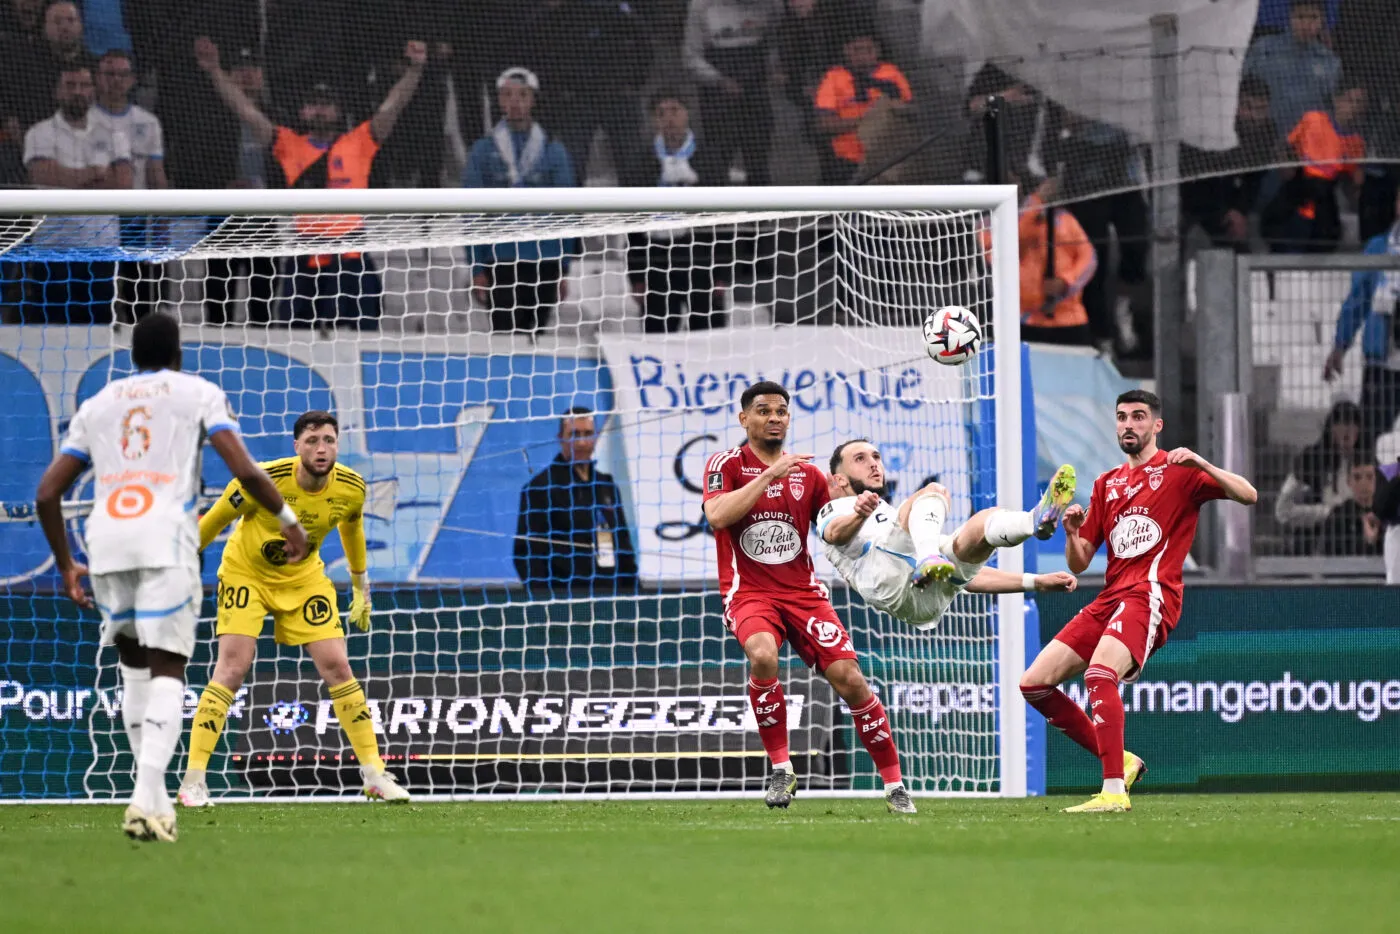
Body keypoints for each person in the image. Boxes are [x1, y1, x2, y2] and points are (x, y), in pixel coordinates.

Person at [33, 312, 309, 841]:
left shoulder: (99, 403)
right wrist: (288, 519)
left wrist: (67, 564)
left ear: (132, 356)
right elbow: (245, 470)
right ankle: (144, 798)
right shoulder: (198, 393)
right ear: (178, 354)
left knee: (134, 668)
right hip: (165, 538)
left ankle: (154, 803)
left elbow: (47, 493)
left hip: (106, 541)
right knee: (168, 667)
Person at [1020, 389, 1257, 813]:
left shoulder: (1179, 470)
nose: (1128, 424)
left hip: (1150, 594)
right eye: (1122, 417)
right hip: (1110, 596)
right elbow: (1079, 562)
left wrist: (1202, 463)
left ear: (1156, 425)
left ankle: (1113, 791)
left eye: (1138, 416)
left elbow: (1248, 495)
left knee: (1099, 674)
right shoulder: (1106, 484)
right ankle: (1124, 762)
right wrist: (1072, 533)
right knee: (1034, 683)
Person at [702, 381, 915, 814]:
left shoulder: (810, 475)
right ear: (744, 418)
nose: (774, 418)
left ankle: (895, 786)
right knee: (763, 654)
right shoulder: (726, 464)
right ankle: (782, 768)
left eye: (781, 411)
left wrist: (858, 512)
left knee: (850, 679)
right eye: (764, 411)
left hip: (803, 594)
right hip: (750, 592)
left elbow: (832, 529)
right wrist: (769, 476)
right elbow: (717, 515)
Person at [178, 410, 410, 807]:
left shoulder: (351, 487)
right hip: (246, 574)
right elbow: (211, 523)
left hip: (303, 579)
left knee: (338, 667)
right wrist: (174, 568)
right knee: (232, 668)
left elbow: (351, 528)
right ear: (296, 446)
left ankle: (374, 774)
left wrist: (360, 586)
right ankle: (193, 780)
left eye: (329, 440)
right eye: (312, 441)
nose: (322, 449)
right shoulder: (260, 480)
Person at [195, 36, 428, 329]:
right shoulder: (290, 146)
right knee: (297, 334)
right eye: (312, 104)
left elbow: (391, 108)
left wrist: (414, 70)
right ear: (302, 111)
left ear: (338, 111)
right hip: (306, 252)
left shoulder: (358, 143)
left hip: (349, 251)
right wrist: (215, 71)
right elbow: (246, 111)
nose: (319, 110)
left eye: (326, 104)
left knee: (359, 333)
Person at [819, 439, 1079, 629]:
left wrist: (1035, 582)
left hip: (927, 603)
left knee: (981, 525)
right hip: (888, 584)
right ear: (840, 479)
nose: (874, 464)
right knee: (934, 491)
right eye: (860, 459)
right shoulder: (836, 508)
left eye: (876, 456)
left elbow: (970, 578)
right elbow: (834, 534)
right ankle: (928, 559)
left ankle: (1033, 521)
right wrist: (859, 513)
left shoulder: (903, 525)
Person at [463, 67, 576, 335]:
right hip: (500, 259)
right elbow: (471, 213)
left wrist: (564, 266)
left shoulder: (553, 149)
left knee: (536, 338)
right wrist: (477, 267)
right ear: (499, 100)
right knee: (504, 338)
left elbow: (567, 212)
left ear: (533, 99)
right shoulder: (483, 150)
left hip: (544, 259)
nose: (515, 102)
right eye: (507, 95)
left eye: (522, 95)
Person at [20, 63, 130, 324]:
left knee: (99, 332)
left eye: (84, 85)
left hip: (101, 252)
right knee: (50, 333)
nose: (77, 92)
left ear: (93, 89)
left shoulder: (115, 135)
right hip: (52, 251)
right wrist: (95, 174)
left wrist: (69, 179)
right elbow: (44, 178)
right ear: (57, 91)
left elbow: (124, 185)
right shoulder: (39, 133)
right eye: (70, 86)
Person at [627, 90, 731, 333]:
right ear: (654, 120)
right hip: (656, 257)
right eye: (661, 113)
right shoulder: (642, 161)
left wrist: (722, 273)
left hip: (700, 255)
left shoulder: (709, 158)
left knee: (707, 334)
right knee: (658, 334)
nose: (669, 118)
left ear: (687, 114)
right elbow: (633, 223)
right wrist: (636, 276)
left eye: (675, 110)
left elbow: (724, 219)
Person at [513, 407, 638, 594]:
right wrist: (547, 602)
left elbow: (623, 547)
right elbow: (527, 556)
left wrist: (634, 594)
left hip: (611, 596)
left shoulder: (606, 485)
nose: (581, 442)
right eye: (574, 434)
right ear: (560, 438)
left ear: (596, 436)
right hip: (566, 598)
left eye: (587, 434)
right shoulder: (540, 488)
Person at [202, 46, 276, 326]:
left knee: (263, 300)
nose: (247, 75)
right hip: (224, 215)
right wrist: (223, 185)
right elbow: (197, 163)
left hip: (265, 216)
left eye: (253, 68)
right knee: (218, 298)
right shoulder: (213, 120)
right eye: (240, 69)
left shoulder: (276, 116)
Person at [985, 171, 1098, 346]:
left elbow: (1088, 258)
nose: (1014, 185)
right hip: (1022, 322)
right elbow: (1008, 246)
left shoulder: (1063, 218)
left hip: (1069, 320)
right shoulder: (988, 224)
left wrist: (1066, 282)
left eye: (1016, 179)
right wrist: (1036, 203)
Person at [94, 48, 165, 323]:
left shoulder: (147, 122)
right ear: (98, 78)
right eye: (109, 74)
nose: (116, 80)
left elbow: (155, 175)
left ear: (133, 79)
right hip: (97, 222)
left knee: (142, 301)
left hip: (136, 223)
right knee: (101, 300)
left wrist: (162, 223)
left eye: (122, 74)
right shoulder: (85, 120)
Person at [1324, 191, 1400, 448]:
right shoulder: (1378, 247)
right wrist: (1340, 344)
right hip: (1382, 364)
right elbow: (1358, 300)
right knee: (1373, 439)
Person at [684, 0, 780, 186]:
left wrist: (774, 67)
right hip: (718, 98)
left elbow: (777, 40)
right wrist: (719, 80)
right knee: (717, 161)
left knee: (759, 162)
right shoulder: (701, 6)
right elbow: (691, 56)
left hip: (755, 94)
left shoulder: (771, 4)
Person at [1265, 79, 1366, 253]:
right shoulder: (1314, 119)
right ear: (1337, 99)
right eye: (1350, 100)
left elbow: (1351, 184)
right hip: (1296, 193)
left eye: (1360, 103)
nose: (1354, 107)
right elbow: (1285, 147)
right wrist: (1287, 168)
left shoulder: (1356, 142)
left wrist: (1357, 187)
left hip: (1323, 205)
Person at [1182, 75, 1280, 250]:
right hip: (1193, 192)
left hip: (1231, 201)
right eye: (1247, 107)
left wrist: (1240, 210)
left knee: (1238, 247)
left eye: (1260, 109)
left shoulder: (1267, 132)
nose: (1253, 116)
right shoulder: (1215, 128)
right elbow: (1201, 178)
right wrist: (1225, 212)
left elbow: (1254, 178)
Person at [812, 29, 911, 185]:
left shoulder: (891, 73)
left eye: (868, 50)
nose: (863, 55)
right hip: (847, 160)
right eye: (857, 50)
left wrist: (892, 110)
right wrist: (869, 120)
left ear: (878, 51)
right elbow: (824, 124)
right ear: (846, 51)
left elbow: (910, 110)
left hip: (888, 158)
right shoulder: (834, 77)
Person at [1274, 400, 1366, 553]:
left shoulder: (1367, 461)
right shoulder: (1311, 461)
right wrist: (1327, 513)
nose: (1347, 434)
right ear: (1331, 429)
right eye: (1341, 427)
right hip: (1319, 537)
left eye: (1352, 428)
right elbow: (1282, 510)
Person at [1244, 0, 1341, 137]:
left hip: (1308, 141)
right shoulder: (1264, 49)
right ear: (1290, 17)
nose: (1306, 24)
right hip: (1264, 137)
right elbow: (1240, 89)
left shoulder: (1330, 62)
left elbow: (1334, 109)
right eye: (1300, 17)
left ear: (1322, 21)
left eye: (1313, 17)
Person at [1316, 461, 1383, 556]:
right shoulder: (1338, 515)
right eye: (1357, 478)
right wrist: (1367, 543)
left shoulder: (1388, 512)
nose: (1363, 484)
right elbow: (1330, 555)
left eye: (1369, 477)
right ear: (1348, 481)